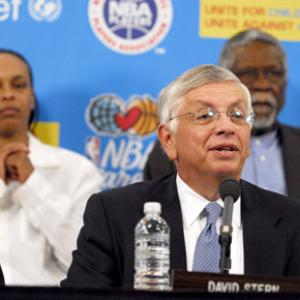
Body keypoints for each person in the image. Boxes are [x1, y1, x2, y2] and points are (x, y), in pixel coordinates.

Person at [61, 65, 300, 289]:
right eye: (206, 115)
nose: (227, 127)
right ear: (168, 139)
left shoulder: (291, 221)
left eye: (237, 115)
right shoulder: (115, 215)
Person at [144, 29, 300, 199]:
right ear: (224, 80)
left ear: (285, 80)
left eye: (273, 73)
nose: (262, 84)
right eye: (248, 74)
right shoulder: (176, 148)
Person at [0, 49, 102, 285]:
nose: (8, 95)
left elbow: (86, 264)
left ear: (31, 97)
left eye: (18, 85)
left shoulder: (76, 171)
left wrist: (31, 185)